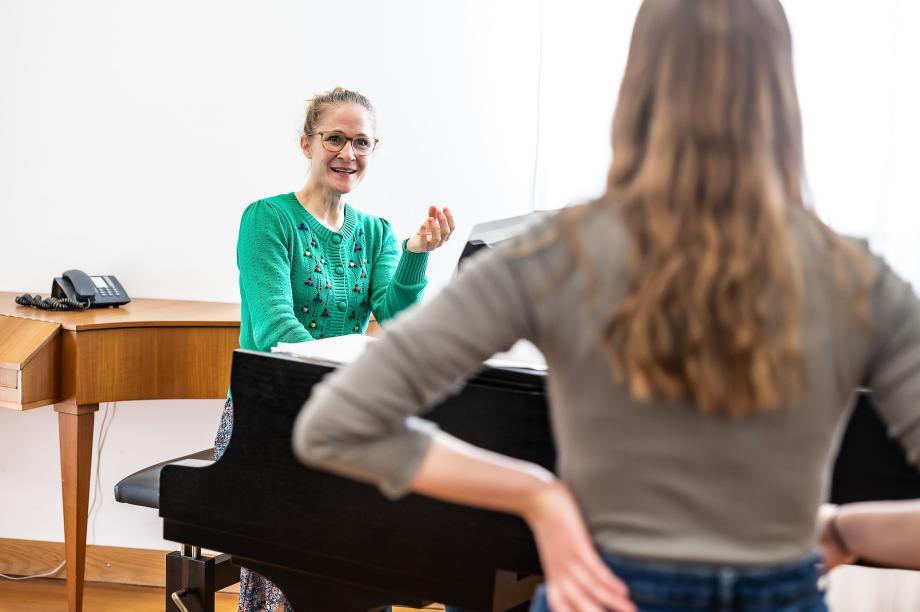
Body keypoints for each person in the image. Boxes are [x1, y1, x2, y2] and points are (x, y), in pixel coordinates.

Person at [291, 2, 920, 612]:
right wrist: (846, 529)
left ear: (638, 86)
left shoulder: (555, 256)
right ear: (781, 95)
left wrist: (540, 496)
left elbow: (336, 423)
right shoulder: (857, 278)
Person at [215, 86, 455, 612]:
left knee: (372, 545)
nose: (348, 153)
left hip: (341, 410)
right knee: (302, 559)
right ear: (307, 144)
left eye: (362, 142)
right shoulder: (267, 219)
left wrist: (416, 253)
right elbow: (277, 325)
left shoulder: (376, 232)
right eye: (335, 139)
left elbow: (396, 318)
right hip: (270, 417)